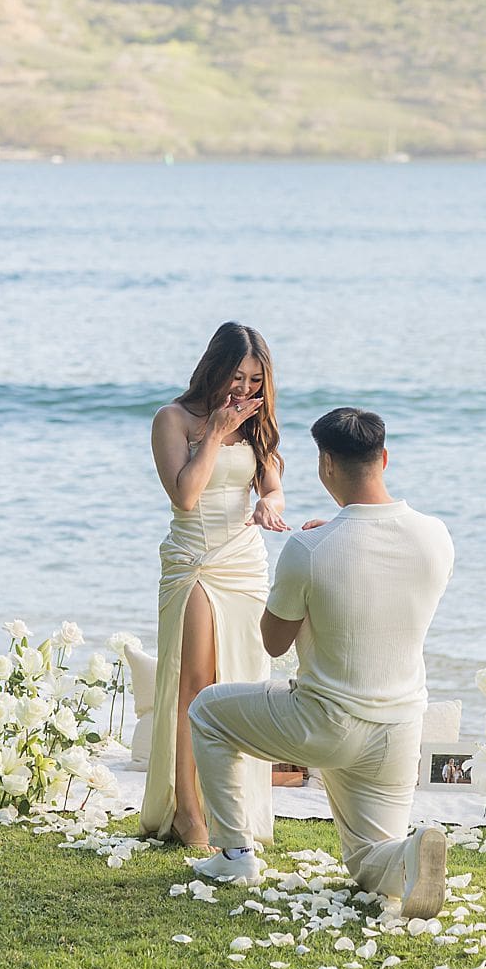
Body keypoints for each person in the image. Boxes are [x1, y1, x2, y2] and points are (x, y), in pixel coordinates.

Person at [189, 406, 454, 917]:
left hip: (323, 724)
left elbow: (272, 643)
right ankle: (412, 851)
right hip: (399, 729)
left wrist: (306, 562)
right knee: (367, 862)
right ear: (384, 457)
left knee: (207, 711)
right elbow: (378, 579)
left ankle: (235, 854)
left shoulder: (309, 547)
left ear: (325, 465)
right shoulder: (435, 536)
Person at [139, 322, 288, 848]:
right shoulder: (172, 420)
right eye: (237, 376)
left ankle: (234, 806)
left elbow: (271, 483)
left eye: (254, 380)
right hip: (195, 560)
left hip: (245, 560)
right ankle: (188, 811)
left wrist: (271, 502)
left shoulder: (257, 421)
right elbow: (185, 495)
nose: (245, 389)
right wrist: (218, 434)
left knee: (241, 682)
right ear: (214, 368)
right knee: (195, 683)